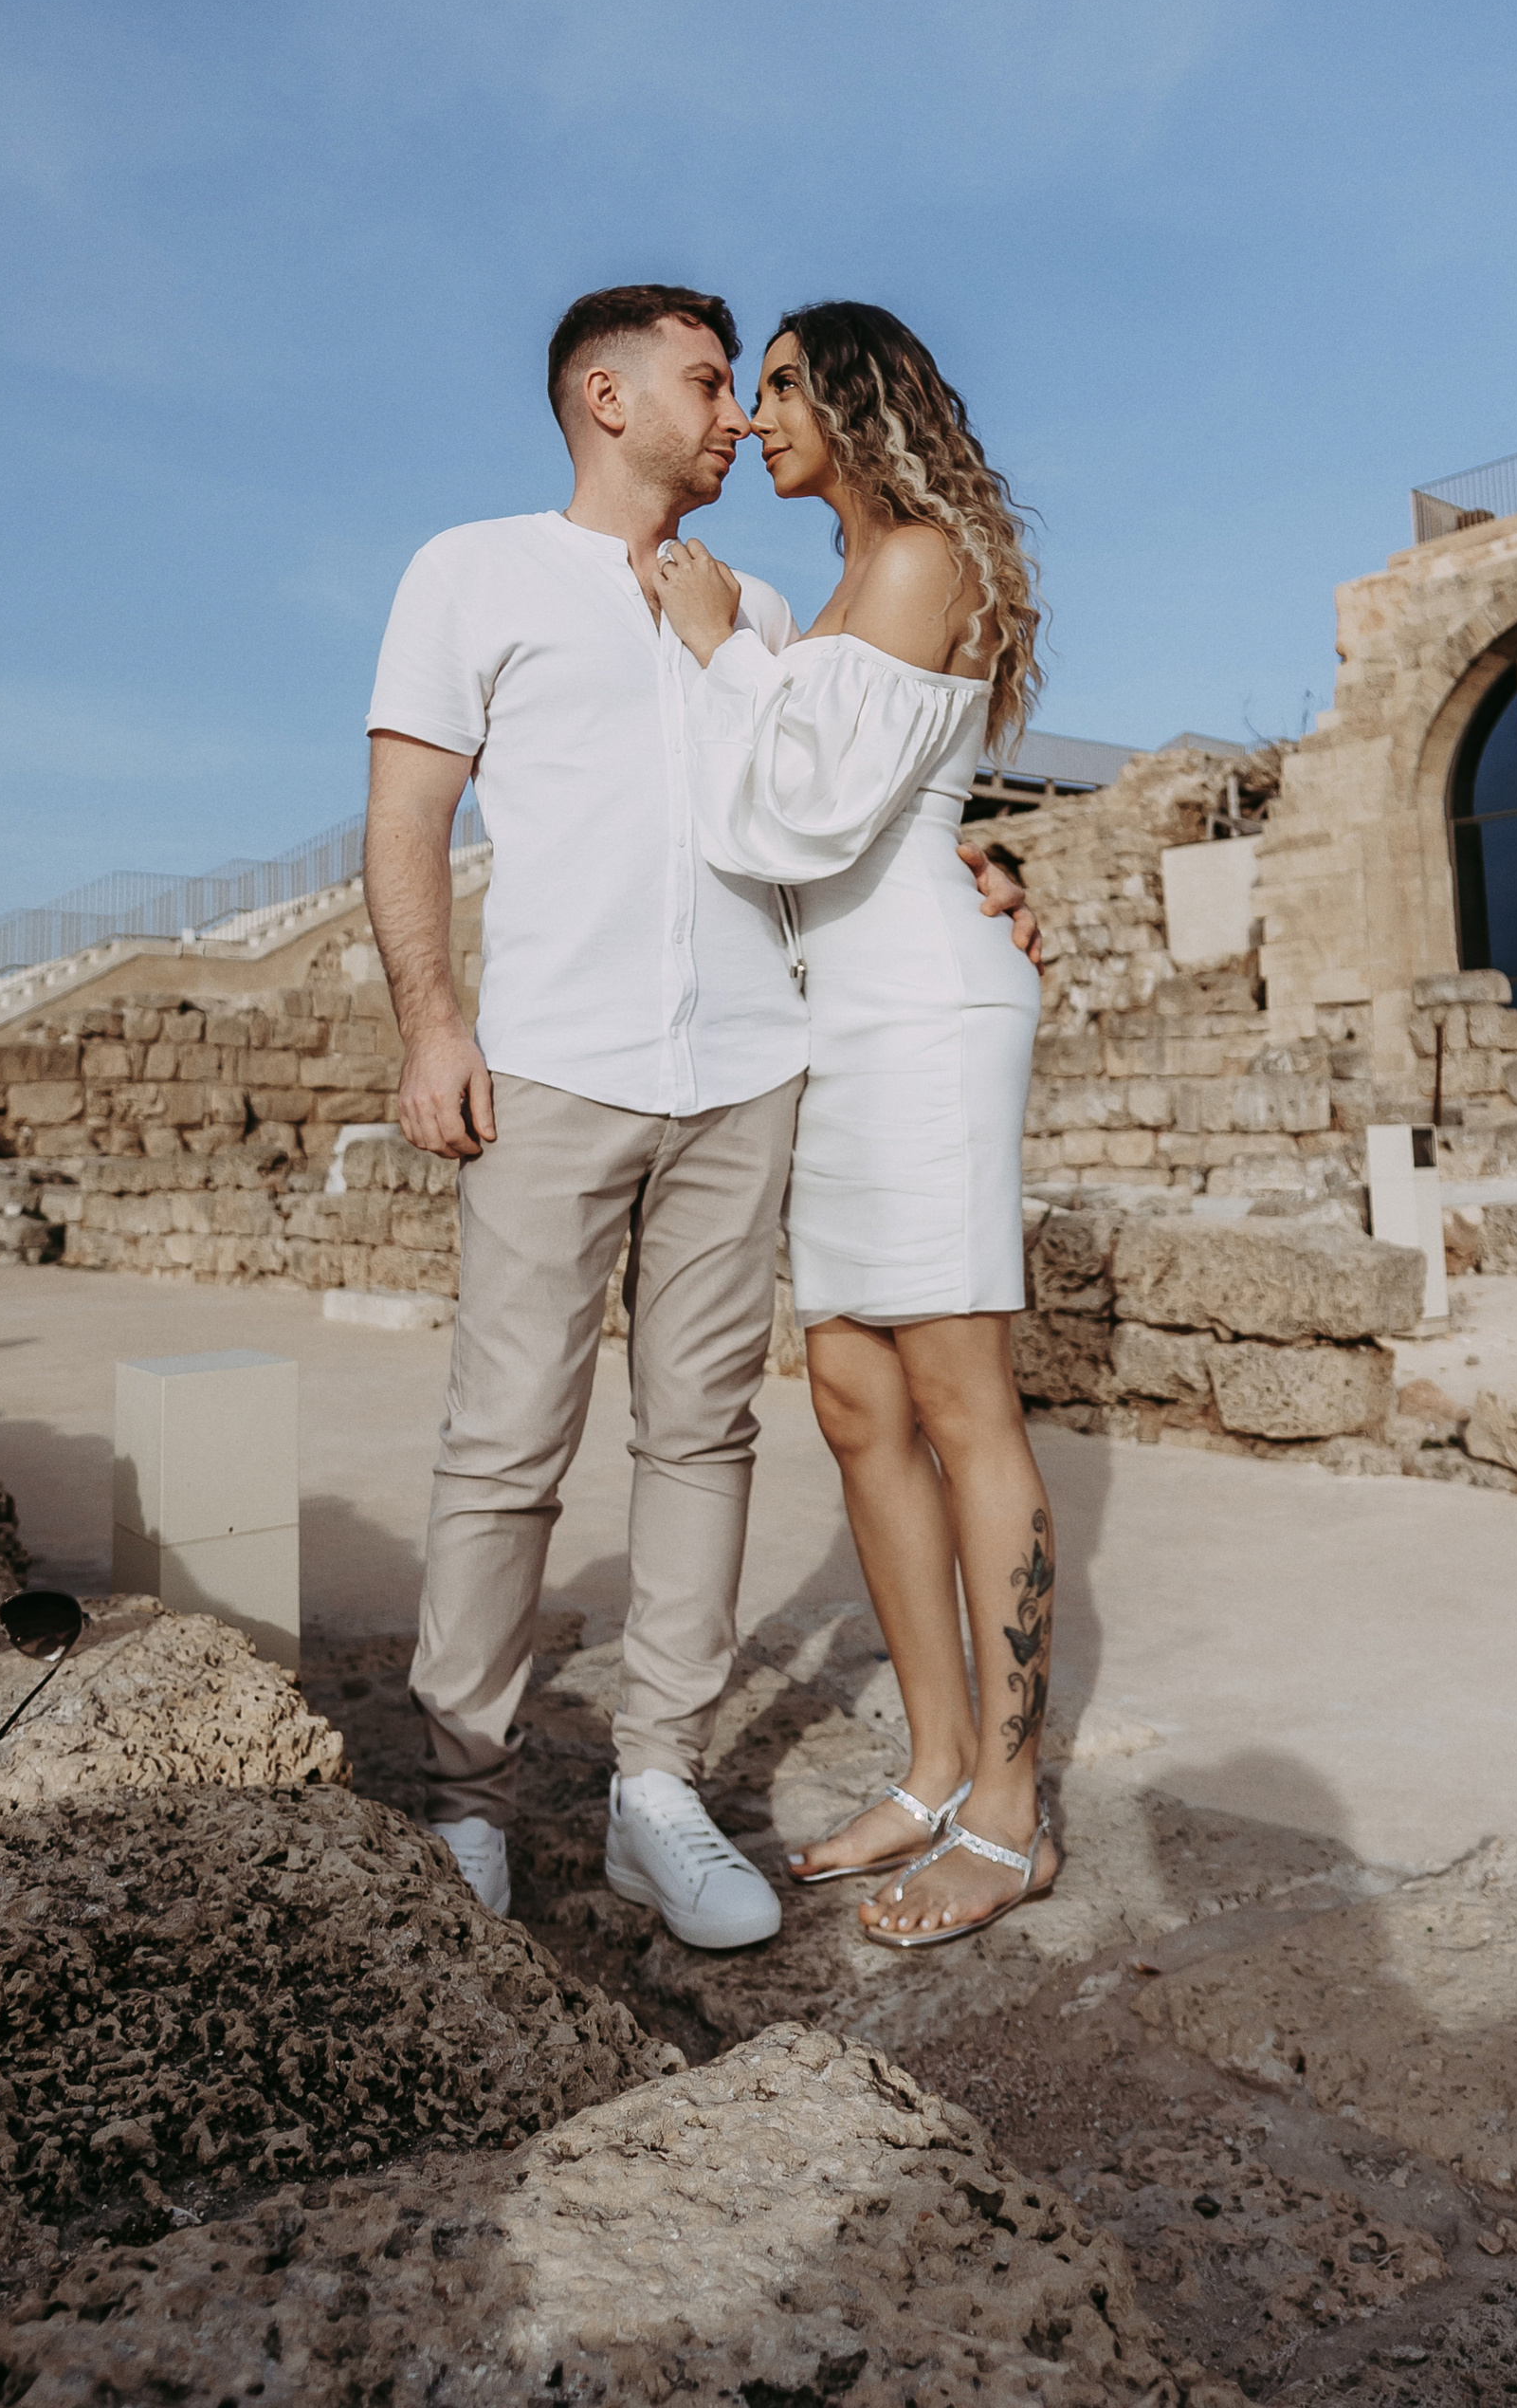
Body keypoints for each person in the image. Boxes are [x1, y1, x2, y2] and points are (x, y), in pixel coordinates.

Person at [362, 285, 1036, 1951]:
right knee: (506, 1440)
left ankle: (657, 1788)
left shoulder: (778, 598)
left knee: (705, 1435)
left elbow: (837, 806)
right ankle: (468, 1803)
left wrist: (986, 870)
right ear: (603, 393)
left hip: (754, 1067)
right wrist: (432, 1020)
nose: (736, 411)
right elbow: (407, 809)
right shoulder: (473, 571)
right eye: (708, 379)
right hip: (559, 1063)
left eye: (753, 383)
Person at [653, 300, 1059, 1946]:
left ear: (859, 397)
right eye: (743, 393)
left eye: (778, 388)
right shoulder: (852, 575)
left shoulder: (918, 560)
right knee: (849, 1388)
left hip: (926, 1012)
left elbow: (805, 815)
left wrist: (718, 650)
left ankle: (1015, 1813)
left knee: (960, 1393)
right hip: (843, 1011)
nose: (752, 421)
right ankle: (932, 1762)